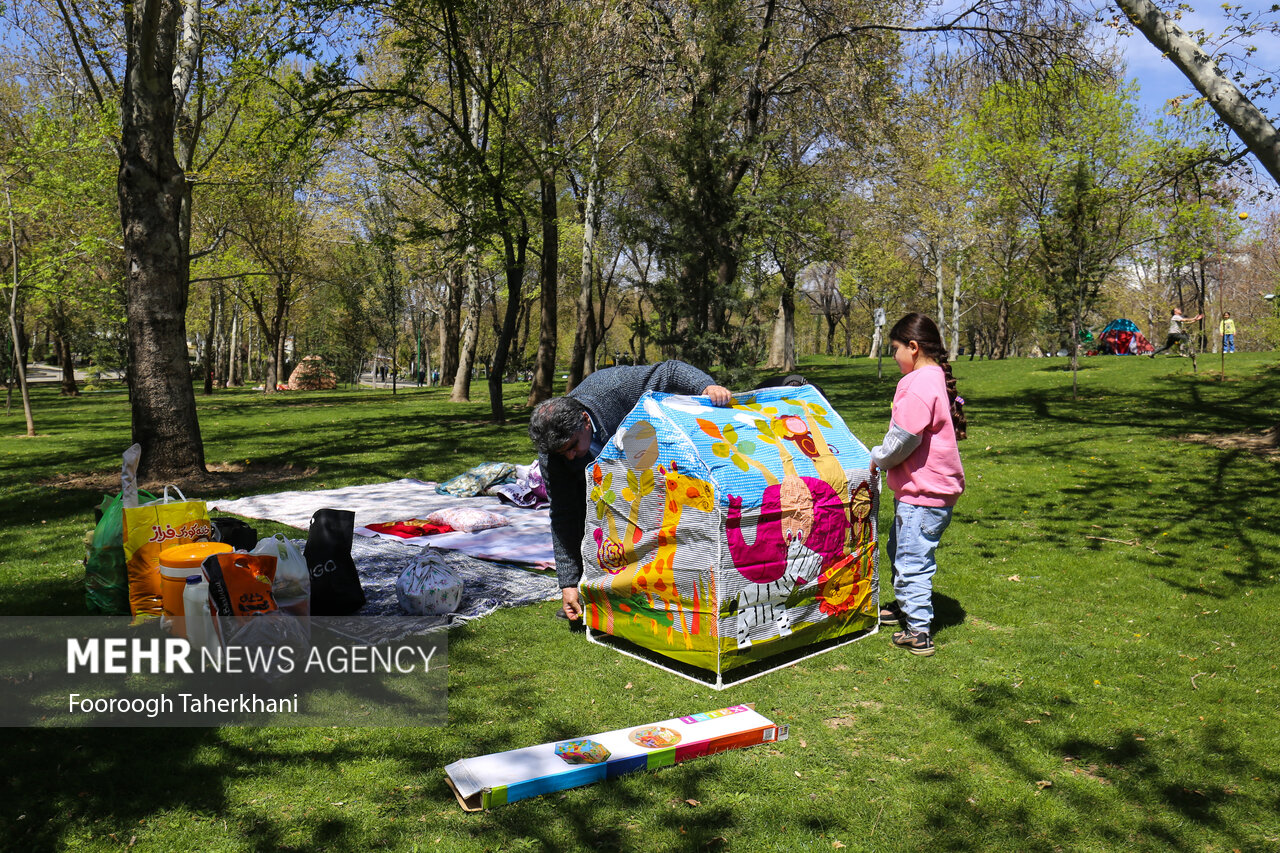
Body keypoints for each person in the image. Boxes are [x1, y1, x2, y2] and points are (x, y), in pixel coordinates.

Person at [529, 361, 732, 623]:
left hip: (645, 450)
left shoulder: (613, 387)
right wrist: (568, 583)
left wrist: (706, 386)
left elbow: (668, 371)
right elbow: (563, 516)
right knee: (594, 519)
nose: (568, 457)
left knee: (653, 513)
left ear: (585, 421)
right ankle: (593, 592)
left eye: (571, 447)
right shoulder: (554, 454)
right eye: (561, 453)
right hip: (600, 479)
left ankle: (667, 587)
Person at [869, 313, 966, 656]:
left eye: (894, 349)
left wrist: (878, 458)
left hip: (922, 496)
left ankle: (919, 630)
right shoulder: (934, 376)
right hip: (929, 493)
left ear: (912, 347)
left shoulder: (917, 384)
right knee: (903, 550)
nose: (893, 356)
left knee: (912, 561)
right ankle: (905, 605)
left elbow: (904, 438)